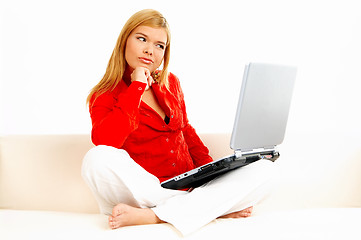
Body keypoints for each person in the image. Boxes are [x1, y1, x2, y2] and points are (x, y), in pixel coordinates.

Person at [81, 9, 278, 236]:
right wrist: (136, 88)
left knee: (267, 171)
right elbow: (106, 141)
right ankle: (209, 207)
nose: (149, 50)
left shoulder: (171, 83)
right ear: (124, 41)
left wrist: (212, 173)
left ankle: (156, 215)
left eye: (159, 45)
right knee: (96, 159)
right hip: (148, 189)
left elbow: (186, 132)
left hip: (189, 183)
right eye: (142, 39)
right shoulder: (104, 94)